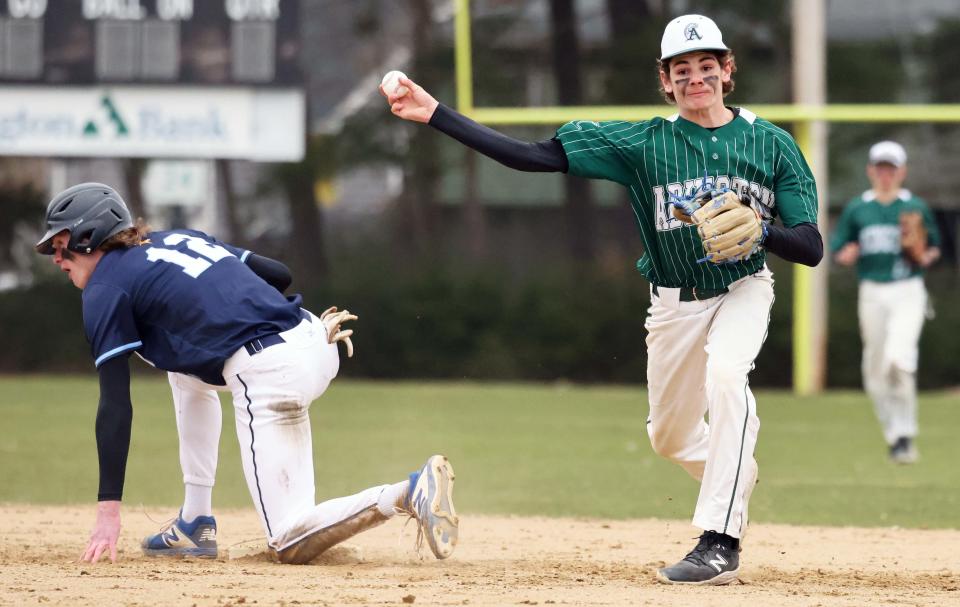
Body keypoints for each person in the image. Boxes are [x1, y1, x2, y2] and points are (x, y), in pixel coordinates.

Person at [382, 14, 822, 585]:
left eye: (706, 66)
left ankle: (719, 542)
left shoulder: (772, 144)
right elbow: (531, 157)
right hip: (672, 304)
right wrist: (436, 114)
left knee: (726, 377)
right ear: (665, 80)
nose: (696, 78)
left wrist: (763, 232)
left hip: (743, 288)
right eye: (682, 70)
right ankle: (731, 468)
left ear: (727, 70)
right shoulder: (645, 142)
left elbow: (809, 246)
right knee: (668, 438)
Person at [35, 182, 459, 564]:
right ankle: (194, 522)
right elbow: (278, 274)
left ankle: (405, 493)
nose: (56, 257)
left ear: (89, 235)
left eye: (61, 243)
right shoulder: (177, 239)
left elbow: (114, 405)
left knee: (289, 541)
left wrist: (109, 511)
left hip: (270, 371)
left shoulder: (105, 287)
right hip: (314, 335)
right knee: (179, 369)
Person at [831, 141, 940, 464]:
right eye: (880, 168)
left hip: (907, 289)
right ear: (870, 171)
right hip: (872, 291)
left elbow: (933, 247)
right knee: (876, 370)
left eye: (891, 168)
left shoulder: (915, 207)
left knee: (899, 359)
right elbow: (840, 247)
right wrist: (846, 254)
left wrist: (925, 254)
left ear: (902, 172)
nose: (885, 174)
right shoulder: (858, 209)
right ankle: (895, 436)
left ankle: (906, 434)